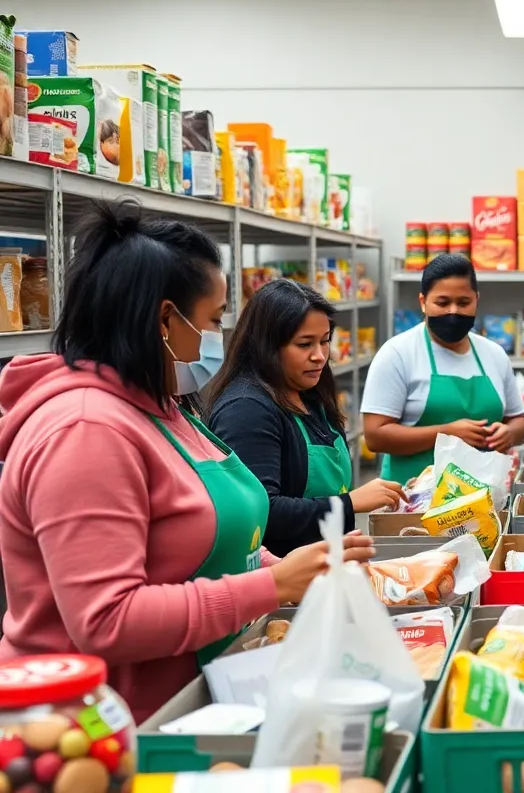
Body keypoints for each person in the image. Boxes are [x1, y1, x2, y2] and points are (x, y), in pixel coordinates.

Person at [0, 201, 373, 722]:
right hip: (105, 727)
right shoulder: (85, 431)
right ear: (164, 319)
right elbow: (107, 619)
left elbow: (214, 540)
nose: (221, 336)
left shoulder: (166, 406)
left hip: (193, 698)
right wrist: (272, 587)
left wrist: (289, 571)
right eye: (215, 319)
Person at [206, 280, 404, 557]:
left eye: (325, 341)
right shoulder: (245, 410)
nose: (320, 356)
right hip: (284, 578)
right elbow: (261, 511)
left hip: (330, 566)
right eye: (304, 344)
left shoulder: (310, 392)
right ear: (267, 345)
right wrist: (348, 503)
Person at [362, 254, 524, 481]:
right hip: (414, 502)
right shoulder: (397, 354)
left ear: (476, 299)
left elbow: (519, 420)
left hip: (485, 498)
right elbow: (375, 436)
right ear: (423, 302)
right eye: (442, 303)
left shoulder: (493, 354)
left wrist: (509, 433)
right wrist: (447, 433)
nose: (453, 312)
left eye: (463, 303)